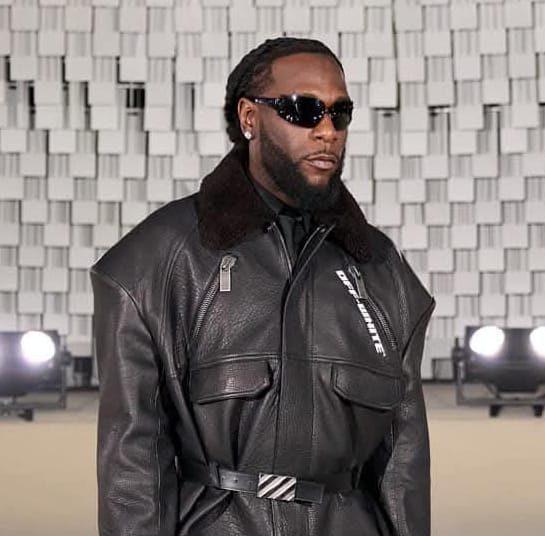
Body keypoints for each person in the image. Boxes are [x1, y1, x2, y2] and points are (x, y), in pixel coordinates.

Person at [91, 37, 435, 536]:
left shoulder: (384, 273)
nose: (327, 131)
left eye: (340, 114)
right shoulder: (153, 264)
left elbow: (403, 465)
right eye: (304, 110)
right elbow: (132, 466)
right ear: (249, 117)